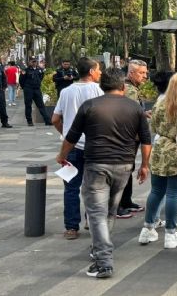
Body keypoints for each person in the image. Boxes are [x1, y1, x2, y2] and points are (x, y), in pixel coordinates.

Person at [55, 68, 152, 279]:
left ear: (101, 86)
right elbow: (146, 139)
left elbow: (71, 136)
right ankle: (99, 250)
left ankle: (104, 262)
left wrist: (62, 155)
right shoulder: (135, 107)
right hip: (124, 166)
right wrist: (144, 164)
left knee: (97, 213)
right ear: (123, 86)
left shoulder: (90, 106)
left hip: (96, 164)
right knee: (109, 211)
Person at [138, 71, 177, 249]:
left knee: (156, 191)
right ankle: (171, 233)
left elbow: (153, 126)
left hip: (160, 148)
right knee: (173, 194)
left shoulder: (160, 103)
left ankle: (147, 229)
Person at [51, 57, 104, 240]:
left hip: (71, 146)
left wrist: (65, 133)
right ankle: (91, 220)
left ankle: (71, 227)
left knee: (71, 188)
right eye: (98, 69)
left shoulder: (66, 91)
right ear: (91, 71)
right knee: (94, 187)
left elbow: (55, 119)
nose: (100, 73)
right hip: (94, 146)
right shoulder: (98, 91)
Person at [116, 59, 149, 218]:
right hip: (127, 137)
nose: (145, 76)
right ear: (131, 73)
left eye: (145, 72)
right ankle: (119, 204)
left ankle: (126, 201)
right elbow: (128, 113)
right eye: (141, 73)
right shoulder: (129, 89)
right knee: (124, 170)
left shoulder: (133, 87)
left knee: (128, 169)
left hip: (131, 136)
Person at [20, 57, 52, 127]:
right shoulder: (25, 70)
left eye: (35, 61)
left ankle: (47, 120)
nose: (34, 63)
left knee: (41, 105)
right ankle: (29, 121)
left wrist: (38, 84)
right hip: (28, 89)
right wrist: (25, 87)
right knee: (28, 105)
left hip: (37, 89)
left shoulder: (40, 70)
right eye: (32, 61)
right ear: (29, 62)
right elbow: (21, 80)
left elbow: (41, 77)